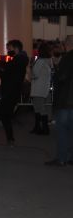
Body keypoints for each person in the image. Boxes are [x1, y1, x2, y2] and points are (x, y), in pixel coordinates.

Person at [45, 35, 73, 166]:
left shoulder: (67, 58)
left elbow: (61, 77)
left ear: (66, 45)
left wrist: (56, 69)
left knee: (62, 131)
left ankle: (61, 158)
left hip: (66, 100)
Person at [29, 43, 53, 135]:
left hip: (37, 88)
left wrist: (31, 67)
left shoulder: (40, 61)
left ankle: (44, 129)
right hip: (44, 87)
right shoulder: (49, 61)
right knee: (38, 108)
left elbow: (34, 74)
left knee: (39, 108)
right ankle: (38, 127)